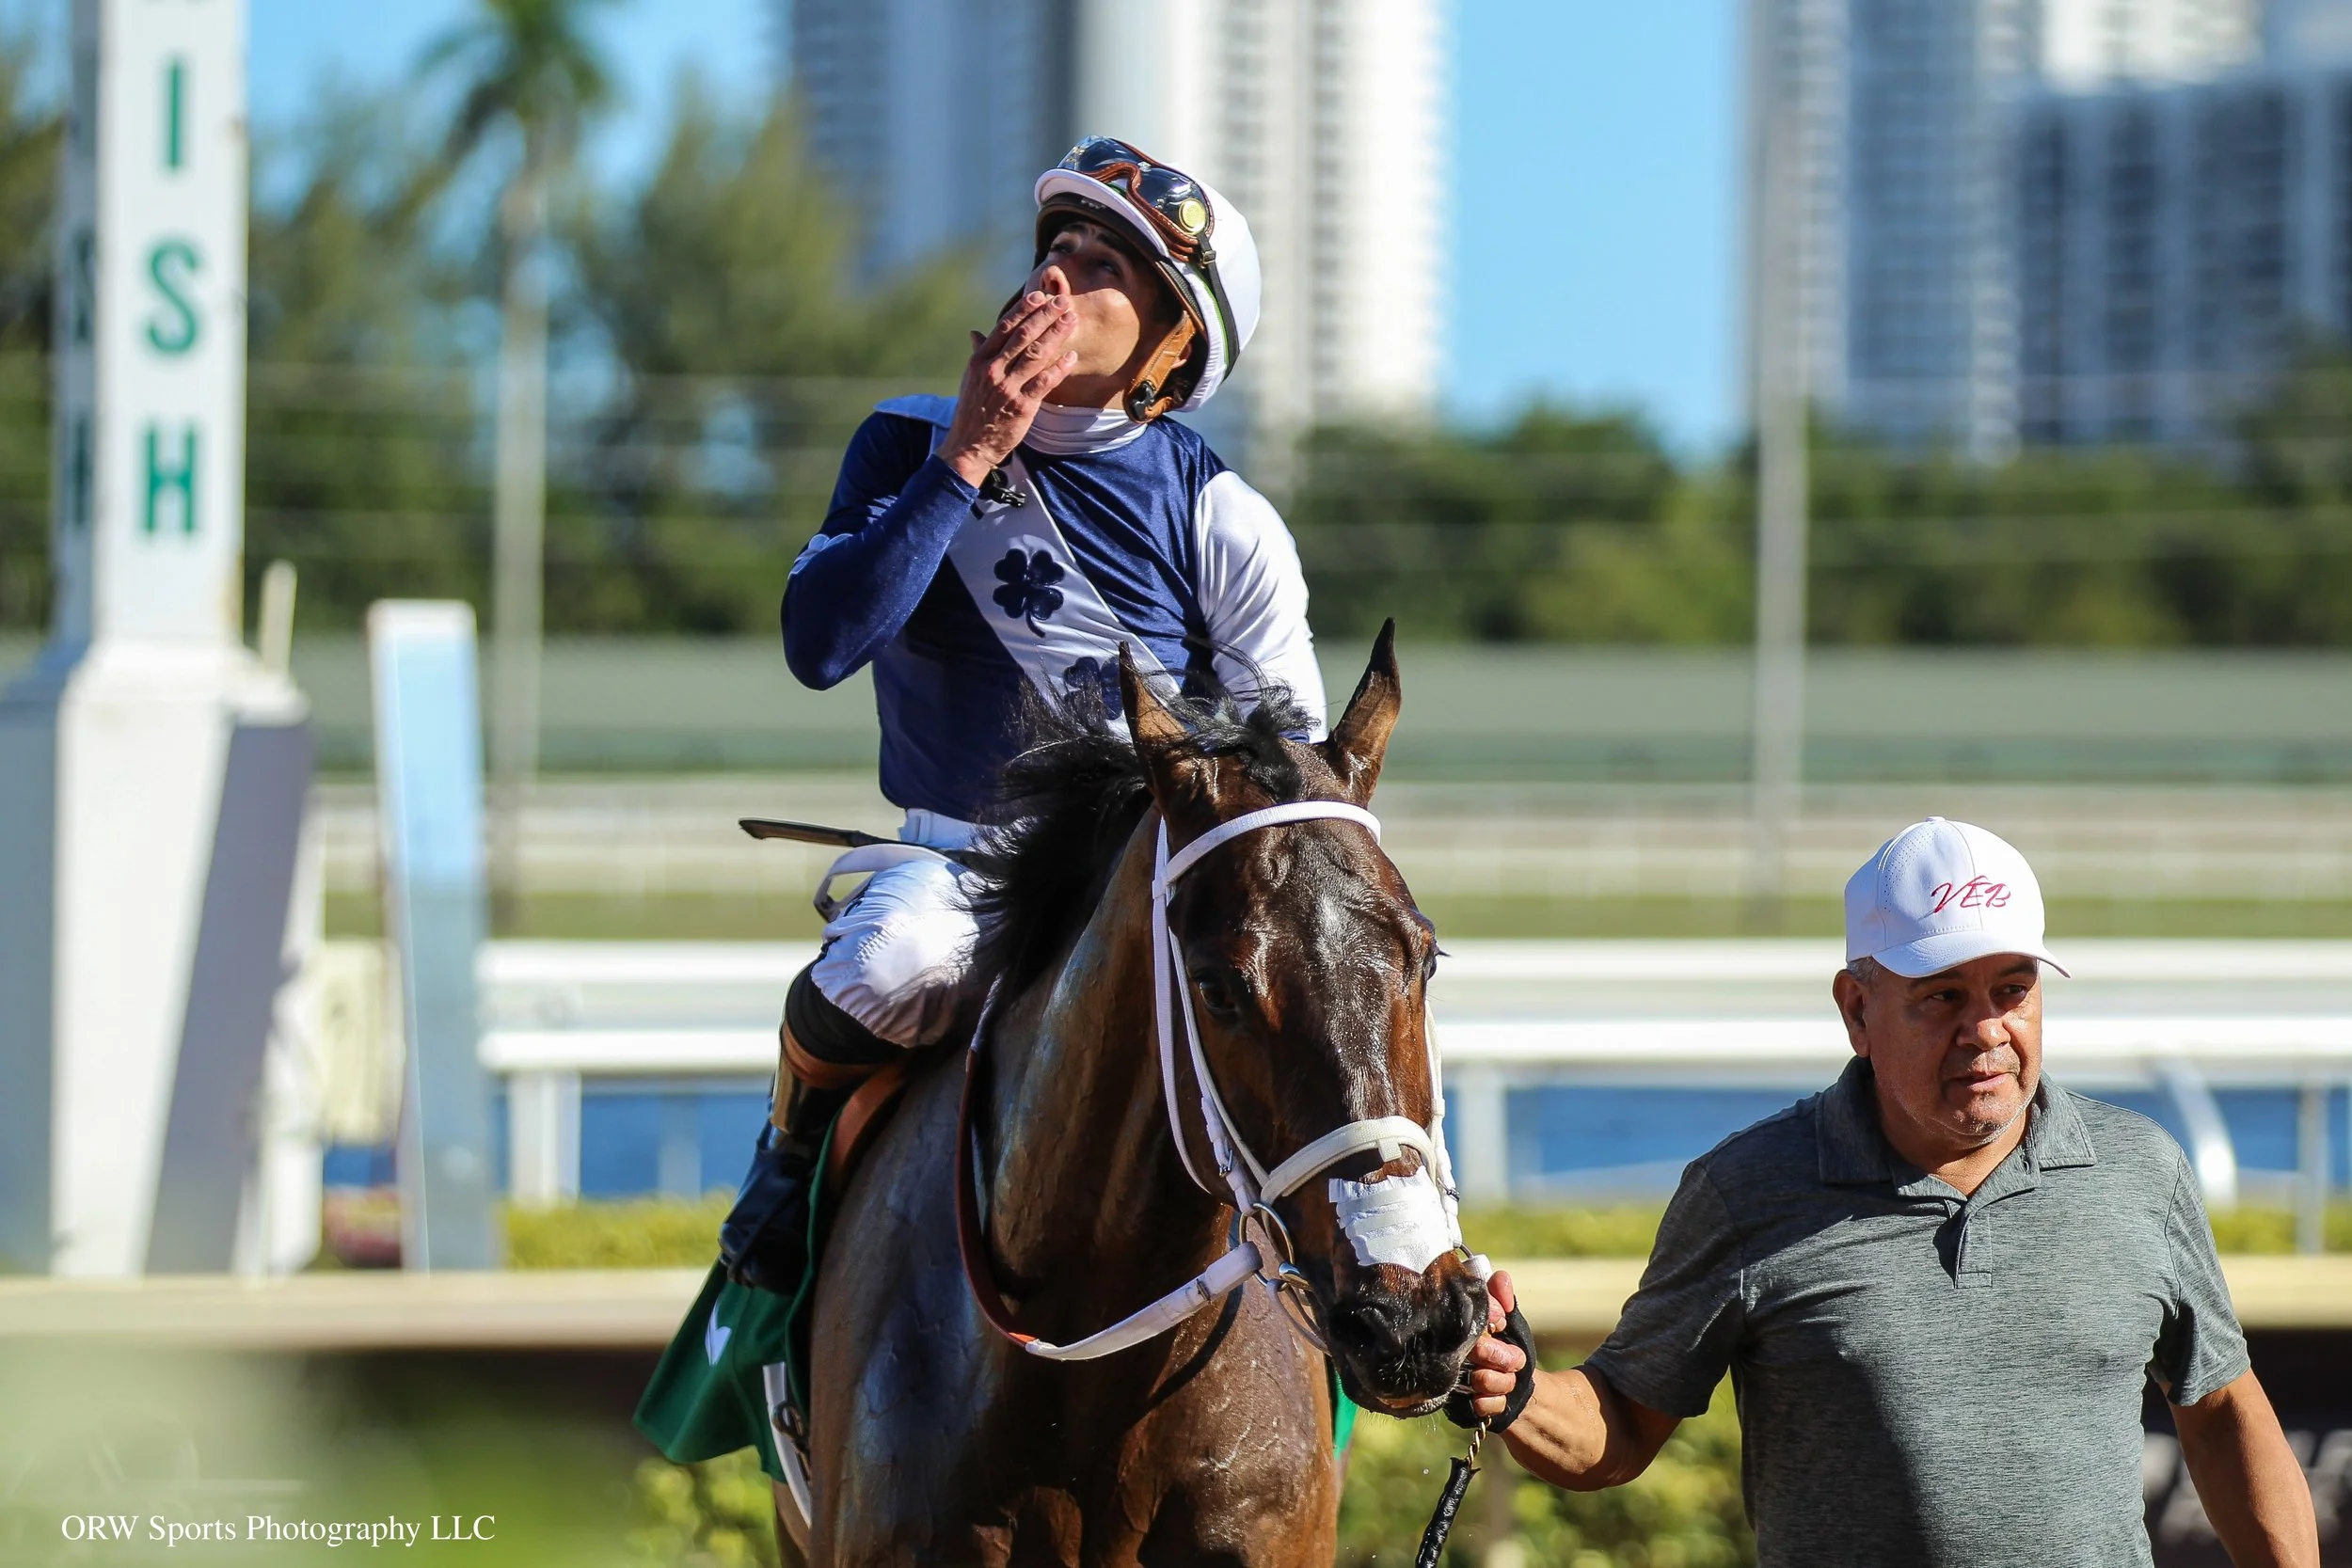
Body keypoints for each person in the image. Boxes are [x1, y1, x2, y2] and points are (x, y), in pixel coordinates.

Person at [720, 136, 1325, 1293]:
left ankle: (1382, 1280)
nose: (1056, 276)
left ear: (1172, 343)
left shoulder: (1224, 516)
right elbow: (820, 646)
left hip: (1143, 881)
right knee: (885, 967)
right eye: (1058, 245)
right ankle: (791, 1152)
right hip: (959, 870)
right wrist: (969, 454)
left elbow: (1290, 764)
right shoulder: (903, 438)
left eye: (1105, 265)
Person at [1460, 816, 2321, 1568]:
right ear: (1855, 1008)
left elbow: (2219, 1407)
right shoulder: (1748, 1189)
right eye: (1942, 995)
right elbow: (1620, 1422)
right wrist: (1518, 1387)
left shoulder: (2145, 1169)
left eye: (2012, 990)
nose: (1986, 1030)